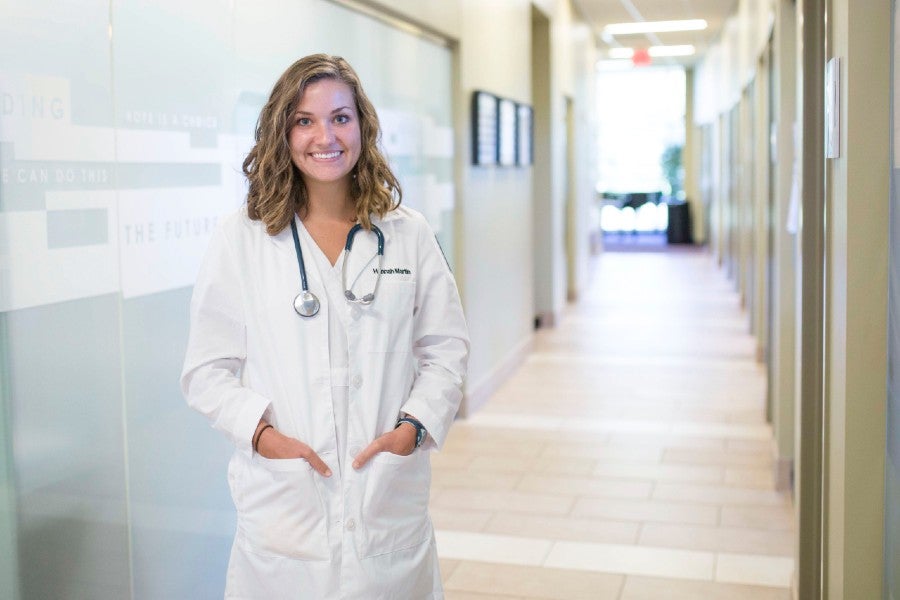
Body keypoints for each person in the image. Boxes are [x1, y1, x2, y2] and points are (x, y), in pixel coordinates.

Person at [181, 54, 469, 599]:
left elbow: (446, 348)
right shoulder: (242, 238)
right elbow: (206, 371)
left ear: (362, 125)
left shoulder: (407, 233)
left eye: (340, 117)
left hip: (384, 499)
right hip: (286, 510)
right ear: (281, 131)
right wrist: (263, 438)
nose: (325, 136)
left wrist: (413, 428)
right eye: (304, 120)